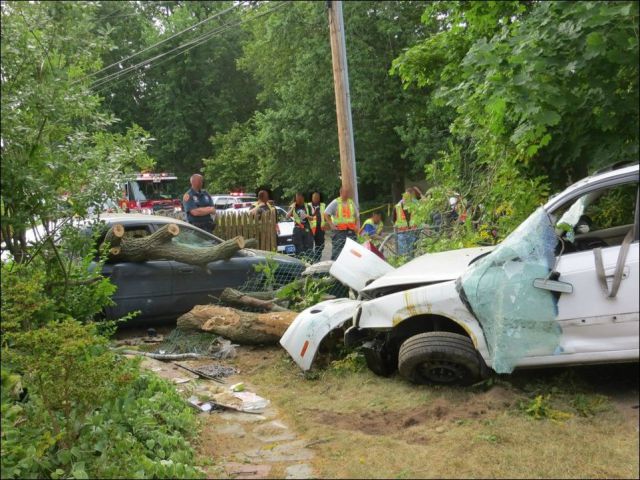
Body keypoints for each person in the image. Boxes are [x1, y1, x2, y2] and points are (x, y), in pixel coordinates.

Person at [324, 186, 359, 260]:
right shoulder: (336, 202)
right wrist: (331, 224)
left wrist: (355, 226)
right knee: (337, 252)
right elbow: (326, 213)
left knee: (352, 251)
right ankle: (335, 267)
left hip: (351, 231)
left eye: (348, 192)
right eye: (345, 192)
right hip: (339, 232)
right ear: (341, 192)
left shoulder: (351, 202)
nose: (347, 194)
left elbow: (356, 215)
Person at [393, 186, 422, 257]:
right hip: (401, 233)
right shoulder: (397, 207)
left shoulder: (415, 205)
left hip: (413, 232)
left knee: (411, 253)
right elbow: (394, 220)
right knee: (403, 254)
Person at [287, 192, 314, 257]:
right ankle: (300, 262)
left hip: (306, 228)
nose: (297, 199)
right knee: (298, 248)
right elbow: (287, 216)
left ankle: (309, 261)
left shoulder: (308, 206)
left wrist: (306, 216)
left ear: (303, 198)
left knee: (308, 247)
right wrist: (292, 207)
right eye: (296, 198)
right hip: (297, 229)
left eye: (299, 198)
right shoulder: (292, 206)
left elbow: (312, 218)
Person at [308, 191, 327, 258]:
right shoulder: (308, 205)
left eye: (317, 197)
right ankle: (311, 259)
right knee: (309, 245)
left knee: (321, 245)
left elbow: (326, 216)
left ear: (319, 198)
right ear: (312, 198)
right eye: (314, 197)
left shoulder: (323, 205)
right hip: (310, 228)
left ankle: (317, 259)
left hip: (320, 228)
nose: (316, 198)